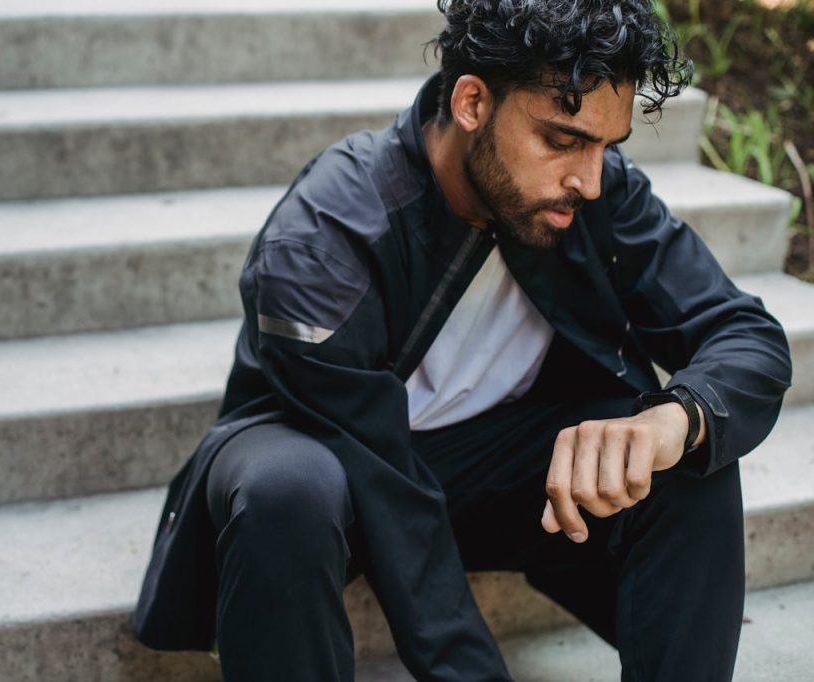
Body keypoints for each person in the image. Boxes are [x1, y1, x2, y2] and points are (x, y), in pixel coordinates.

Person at [134, 0, 792, 679]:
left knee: (690, 449)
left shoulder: (596, 197)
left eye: (606, 146)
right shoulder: (327, 231)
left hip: (487, 467)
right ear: (473, 102)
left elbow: (744, 336)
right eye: (563, 140)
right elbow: (382, 477)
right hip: (336, 460)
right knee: (286, 491)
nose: (589, 179)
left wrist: (673, 421)